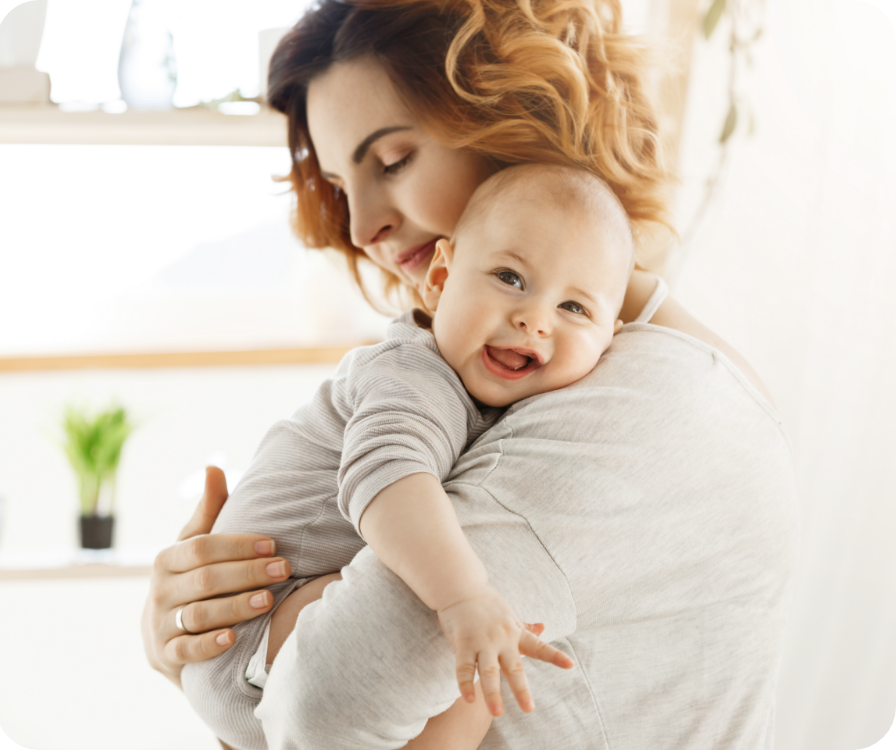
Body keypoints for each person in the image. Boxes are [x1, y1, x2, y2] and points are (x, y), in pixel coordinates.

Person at [141, 2, 799, 748]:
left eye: (391, 161)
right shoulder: (502, 371)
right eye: (340, 184)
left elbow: (323, 708)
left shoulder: (643, 404)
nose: (360, 230)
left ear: (516, 114)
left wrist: (253, 646)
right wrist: (199, 645)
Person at [181, 164, 636, 750]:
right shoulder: (413, 376)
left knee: (475, 685)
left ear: (611, 338)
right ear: (441, 278)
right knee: (452, 642)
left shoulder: (511, 400)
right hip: (255, 628)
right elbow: (387, 483)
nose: (535, 319)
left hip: (266, 643)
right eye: (509, 277)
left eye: (575, 309)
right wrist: (466, 595)